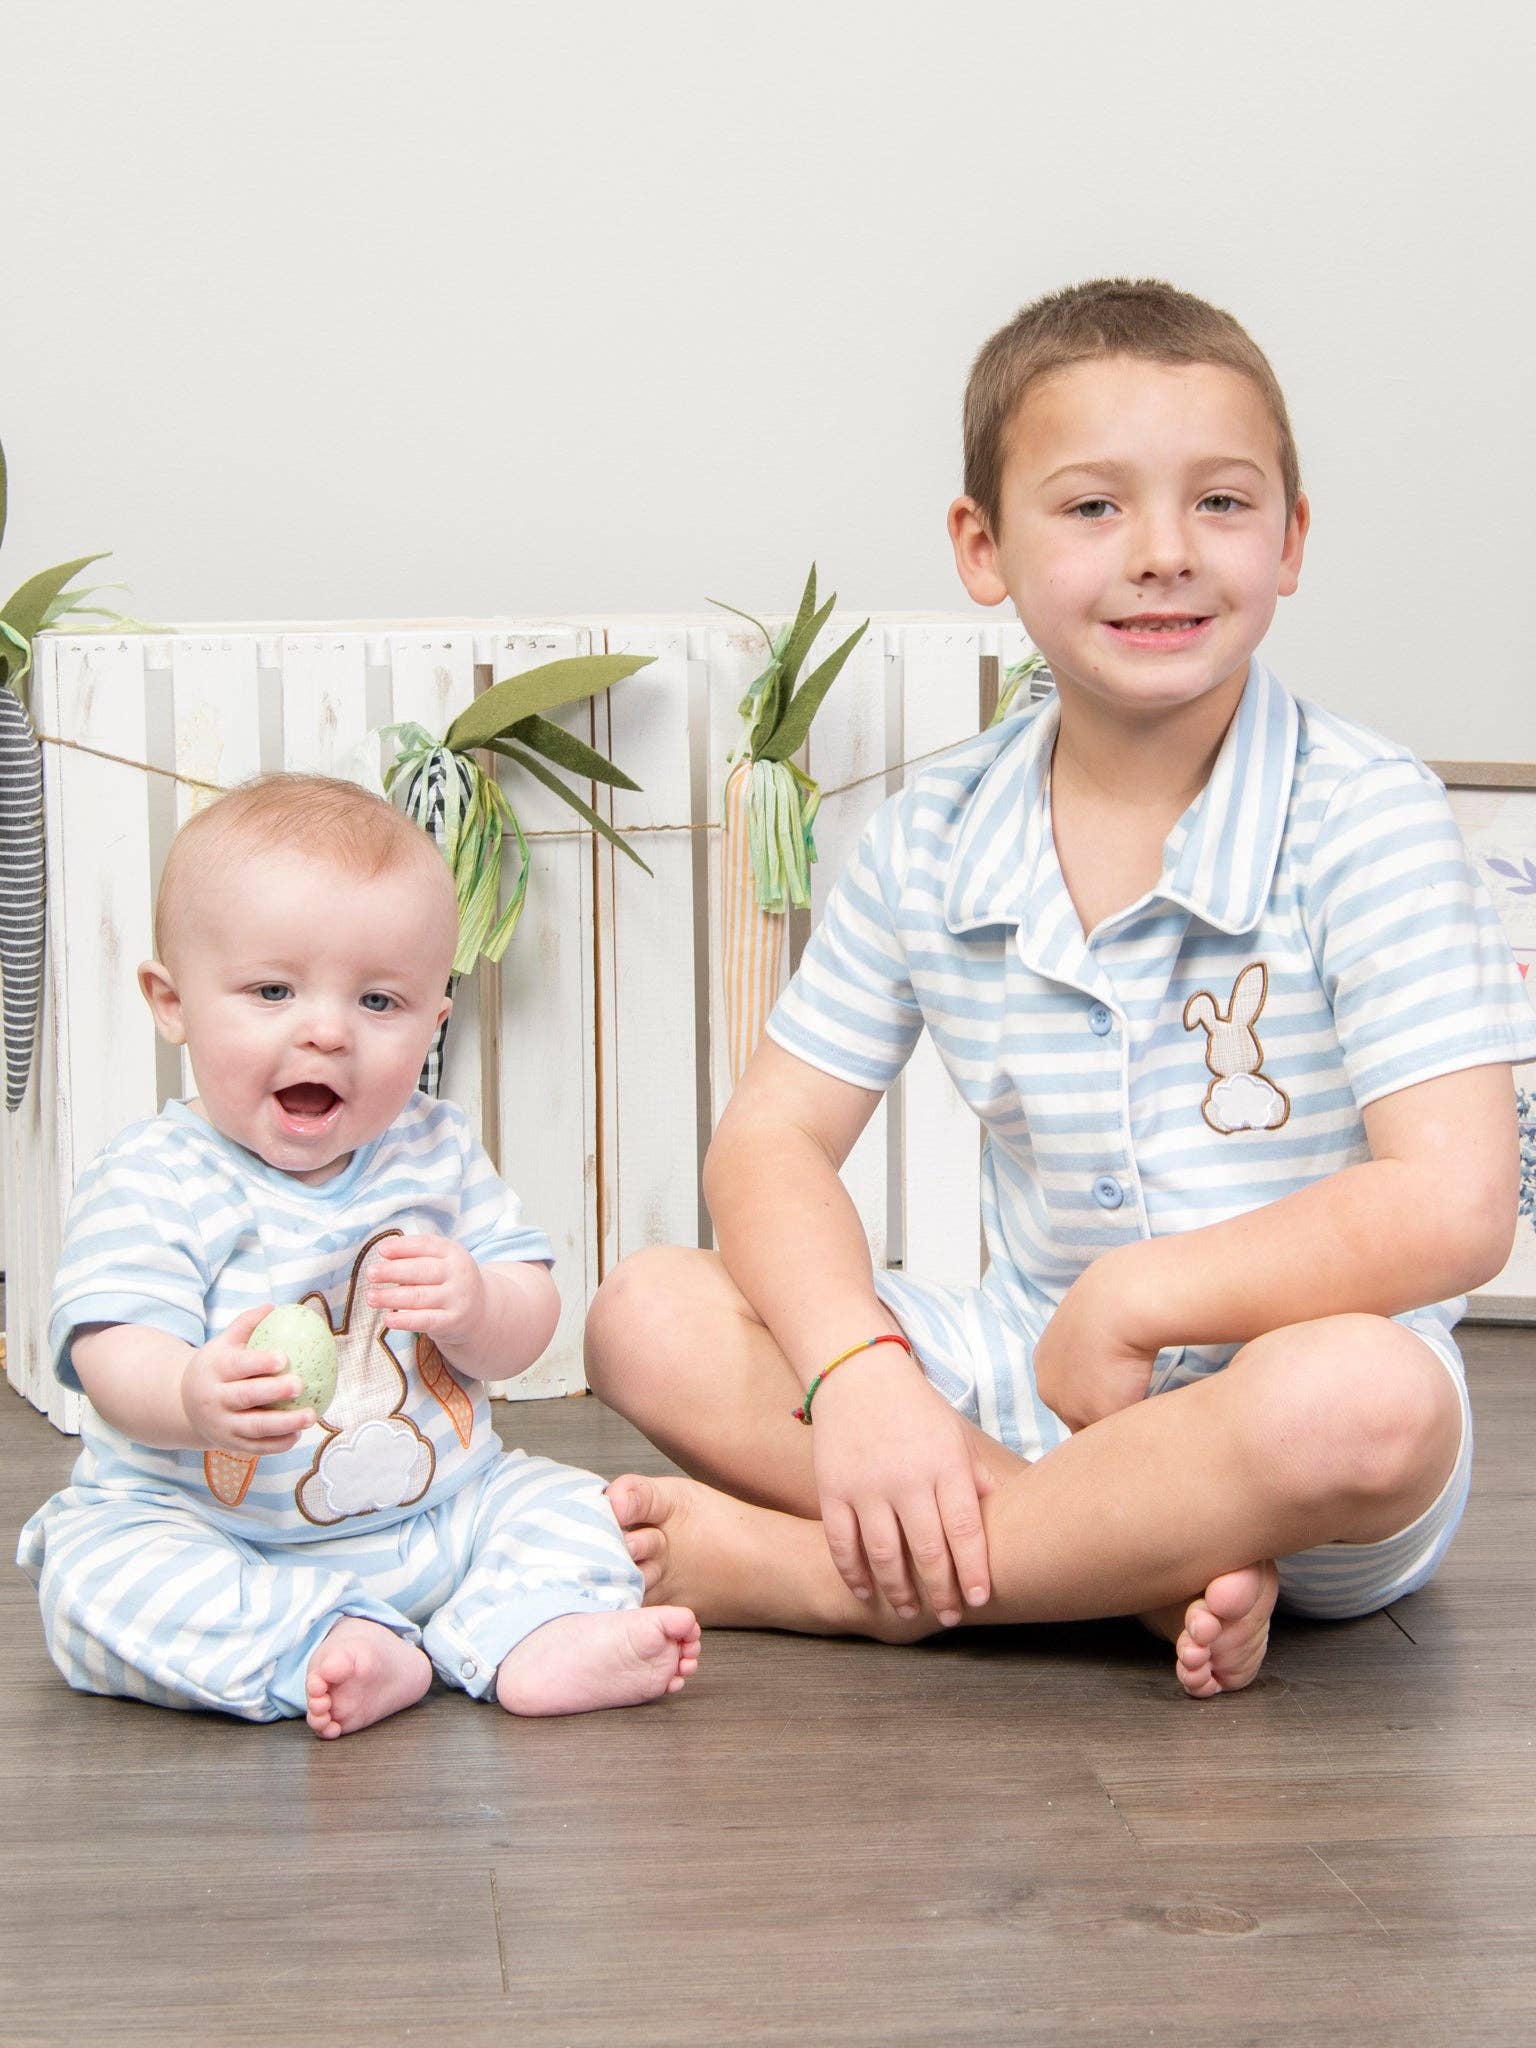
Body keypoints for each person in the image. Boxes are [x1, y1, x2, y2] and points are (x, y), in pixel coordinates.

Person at [586, 277, 1536, 1696]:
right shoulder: (932, 834)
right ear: (985, 547)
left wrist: (1147, 1297)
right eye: (1094, 508)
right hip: (1026, 1374)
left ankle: (845, 1587)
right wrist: (862, 1378)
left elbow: (1453, 1205)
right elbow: (772, 1141)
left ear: (1292, 541)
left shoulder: (1366, 811)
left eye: (1221, 503)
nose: (1163, 553)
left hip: (1283, 1423)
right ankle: (1112, 1563)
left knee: (1370, 1400)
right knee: (645, 1313)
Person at [18, 774, 699, 1735]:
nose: (328, 1030)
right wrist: (188, 1395)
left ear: (435, 1020)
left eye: (380, 1000)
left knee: (583, 1508)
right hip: (217, 1536)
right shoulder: (154, 1176)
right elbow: (108, 1349)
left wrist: (475, 1304)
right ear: (172, 1003)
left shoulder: (437, 1149)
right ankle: (330, 1644)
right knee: (95, 1582)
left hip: (439, 1517)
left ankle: (523, 1632)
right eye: (271, 990)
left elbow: (527, 1320)